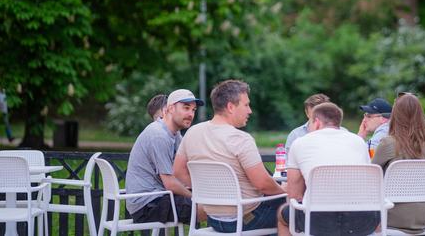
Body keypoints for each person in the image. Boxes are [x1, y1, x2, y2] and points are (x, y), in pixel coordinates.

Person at [173, 80, 285, 233]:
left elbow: (178, 172)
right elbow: (263, 184)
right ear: (231, 107)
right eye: (246, 105)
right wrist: (286, 191)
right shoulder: (240, 139)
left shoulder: (192, 132)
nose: (250, 110)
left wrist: (208, 188)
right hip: (245, 219)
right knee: (292, 208)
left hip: (213, 218)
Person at [277, 102, 380, 236]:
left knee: (282, 214)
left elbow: (294, 196)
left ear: (317, 122)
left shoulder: (300, 143)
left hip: (316, 222)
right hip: (361, 222)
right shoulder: (358, 141)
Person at [126, 89, 206, 224]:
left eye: (193, 110)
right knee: (210, 208)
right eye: (186, 108)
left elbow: (183, 168)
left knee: (214, 201)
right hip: (147, 205)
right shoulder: (158, 135)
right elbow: (170, 184)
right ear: (170, 108)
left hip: (159, 196)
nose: (190, 114)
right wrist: (196, 197)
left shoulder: (174, 134)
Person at [372, 93, 425, 233]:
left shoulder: (389, 143)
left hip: (392, 216)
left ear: (395, 115)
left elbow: (370, 176)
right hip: (424, 216)